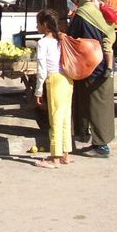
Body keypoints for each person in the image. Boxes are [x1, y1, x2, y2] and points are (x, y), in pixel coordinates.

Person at [68, 0, 116, 158]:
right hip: (106, 65)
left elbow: (72, 37)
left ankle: (101, 146)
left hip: (92, 66)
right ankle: (95, 140)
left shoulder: (81, 14)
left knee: (96, 106)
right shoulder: (99, 11)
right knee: (100, 104)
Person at [34, 9, 74, 168]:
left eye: (38, 24)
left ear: (44, 25)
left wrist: (38, 90)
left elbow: (42, 69)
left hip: (54, 79)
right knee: (65, 117)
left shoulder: (43, 43)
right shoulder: (61, 39)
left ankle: (55, 157)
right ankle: (66, 154)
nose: (37, 27)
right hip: (67, 79)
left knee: (55, 119)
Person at [97, 0, 117, 77]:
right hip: (106, 32)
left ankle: (109, 67)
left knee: (107, 47)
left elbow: (114, 17)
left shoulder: (106, 8)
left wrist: (103, 8)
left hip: (108, 33)